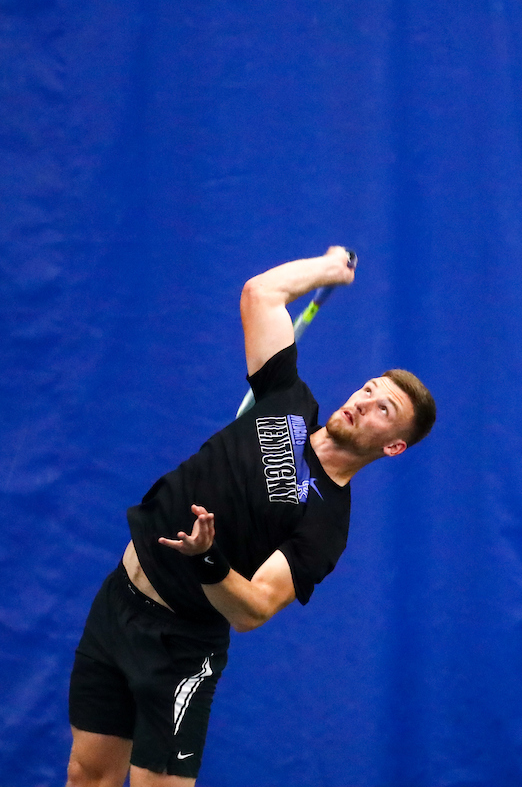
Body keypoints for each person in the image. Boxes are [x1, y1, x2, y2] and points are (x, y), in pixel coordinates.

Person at [65, 247, 436, 787]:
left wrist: (207, 559)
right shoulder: (286, 397)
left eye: (384, 409)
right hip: (118, 599)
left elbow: (255, 608)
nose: (362, 402)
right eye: (368, 389)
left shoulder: (327, 524)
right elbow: (261, 294)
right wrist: (328, 269)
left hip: (180, 646)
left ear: (394, 446)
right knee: (87, 775)